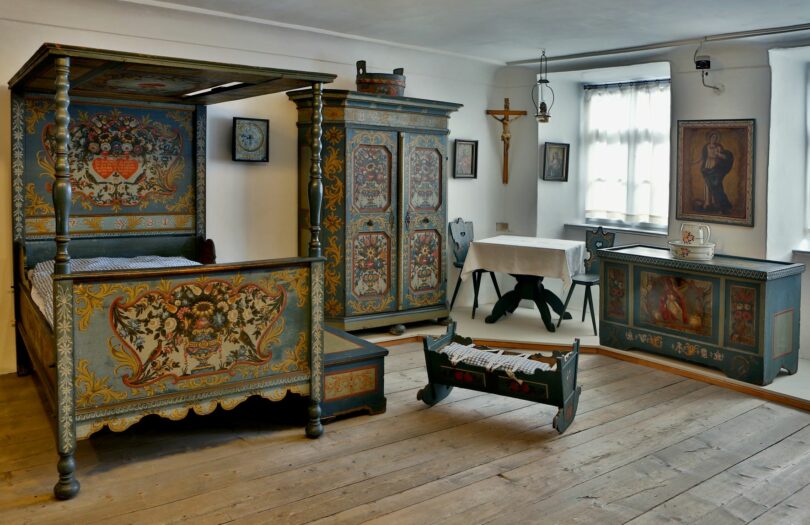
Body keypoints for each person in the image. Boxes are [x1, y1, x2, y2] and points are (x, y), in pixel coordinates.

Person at [698, 132, 733, 213]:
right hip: (707, 164)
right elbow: (703, 157)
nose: (714, 139)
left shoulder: (718, 147)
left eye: (715, 138)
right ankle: (707, 202)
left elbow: (723, 156)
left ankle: (715, 203)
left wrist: (718, 154)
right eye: (712, 137)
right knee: (707, 184)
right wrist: (697, 162)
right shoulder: (706, 147)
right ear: (710, 138)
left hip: (715, 165)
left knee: (715, 185)